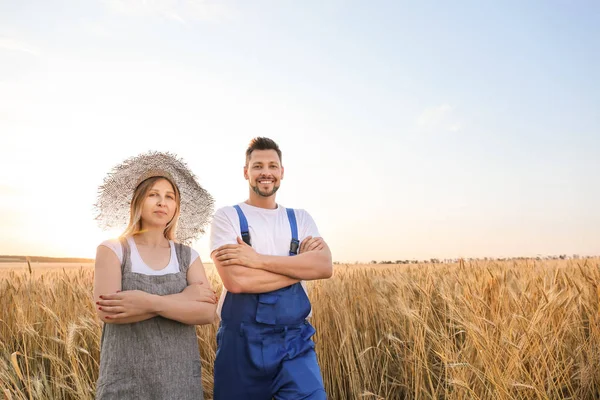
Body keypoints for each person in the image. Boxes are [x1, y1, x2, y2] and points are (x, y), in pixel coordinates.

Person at [210, 137, 333, 399]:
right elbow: (237, 281)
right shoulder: (227, 216)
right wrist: (298, 268)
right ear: (246, 172)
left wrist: (256, 260)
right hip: (240, 346)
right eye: (257, 166)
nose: (266, 172)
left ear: (282, 172)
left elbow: (323, 266)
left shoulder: (300, 218)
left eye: (272, 166)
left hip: (295, 343)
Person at [93, 152, 216, 399]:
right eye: (153, 195)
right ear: (137, 202)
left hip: (179, 383)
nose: (162, 202)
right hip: (125, 381)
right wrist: (184, 298)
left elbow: (207, 313)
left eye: (169, 197)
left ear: (176, 209)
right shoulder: (113, 250)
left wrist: (147, 301)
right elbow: (108, 312)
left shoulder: (187, 256)